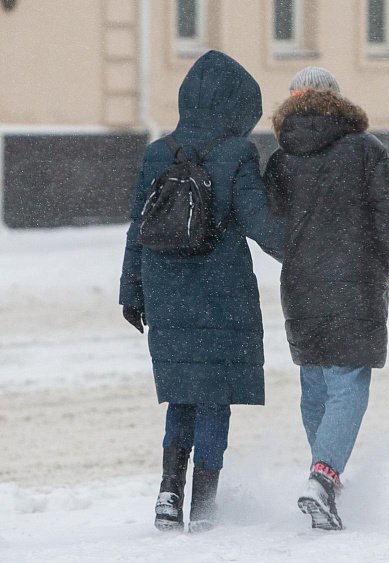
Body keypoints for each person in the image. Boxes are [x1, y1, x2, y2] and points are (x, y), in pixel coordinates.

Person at [119, 50, 285, 533]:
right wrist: (306, 254)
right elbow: (260, 224)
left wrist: (132, 290)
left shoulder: (157, 152)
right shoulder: (237, 154)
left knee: (182, 395)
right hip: (222, 293)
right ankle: (205, 508)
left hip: (167, 293)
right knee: (215, 397)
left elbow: (137, 226)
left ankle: (168, 494)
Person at [264, 67, 389, 531]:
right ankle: (323, 478)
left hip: (302, 285)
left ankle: (323, 476)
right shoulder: (365, 150)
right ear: (336, 101)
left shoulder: (282, 158)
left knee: (316, 385)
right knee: (347, 383)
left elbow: (269, 224)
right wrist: (383, 262)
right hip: (355, 281)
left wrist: (297, 255)